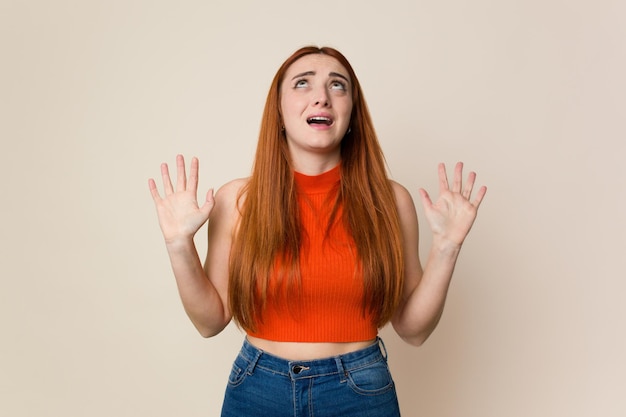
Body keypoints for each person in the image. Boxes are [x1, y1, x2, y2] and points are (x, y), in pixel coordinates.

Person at [148, 46, 486, 417]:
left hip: (360, 393)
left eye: (337, 86)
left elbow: (413, 329)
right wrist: (178, 245)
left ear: (352, 112)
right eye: (303, 84)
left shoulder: (390, 200)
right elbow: (210, 321)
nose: (321, 96)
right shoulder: (237, 200)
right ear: (278, 109)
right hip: (258, 390)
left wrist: (448, 246)